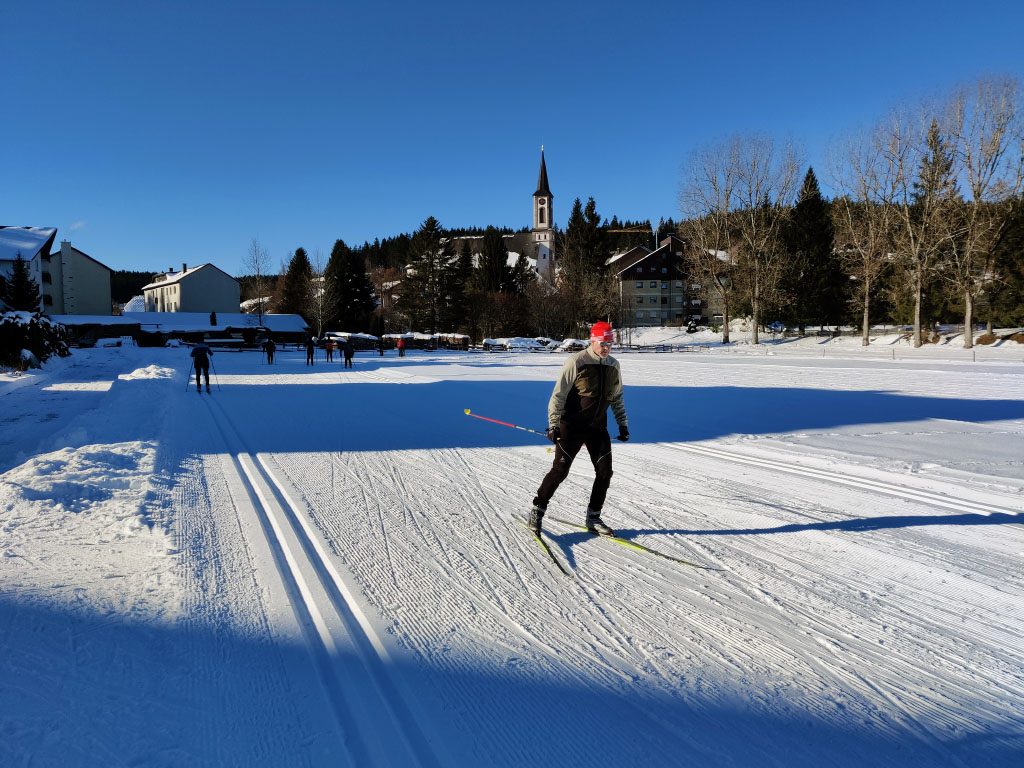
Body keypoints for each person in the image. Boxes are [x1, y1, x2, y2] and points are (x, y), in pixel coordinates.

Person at [528, 321, 629, 536]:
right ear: (592, 341)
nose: (607, 348)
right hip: (571, 426)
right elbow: (558, 395)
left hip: (597, 428)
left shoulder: (613, 365)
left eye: (610, 344)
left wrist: (622, 423)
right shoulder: (576, 361)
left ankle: (593, 518)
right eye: (603, 343)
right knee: (560, 471)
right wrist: (554, 425)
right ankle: (537, 510)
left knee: (605, 473)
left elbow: (617, 397)